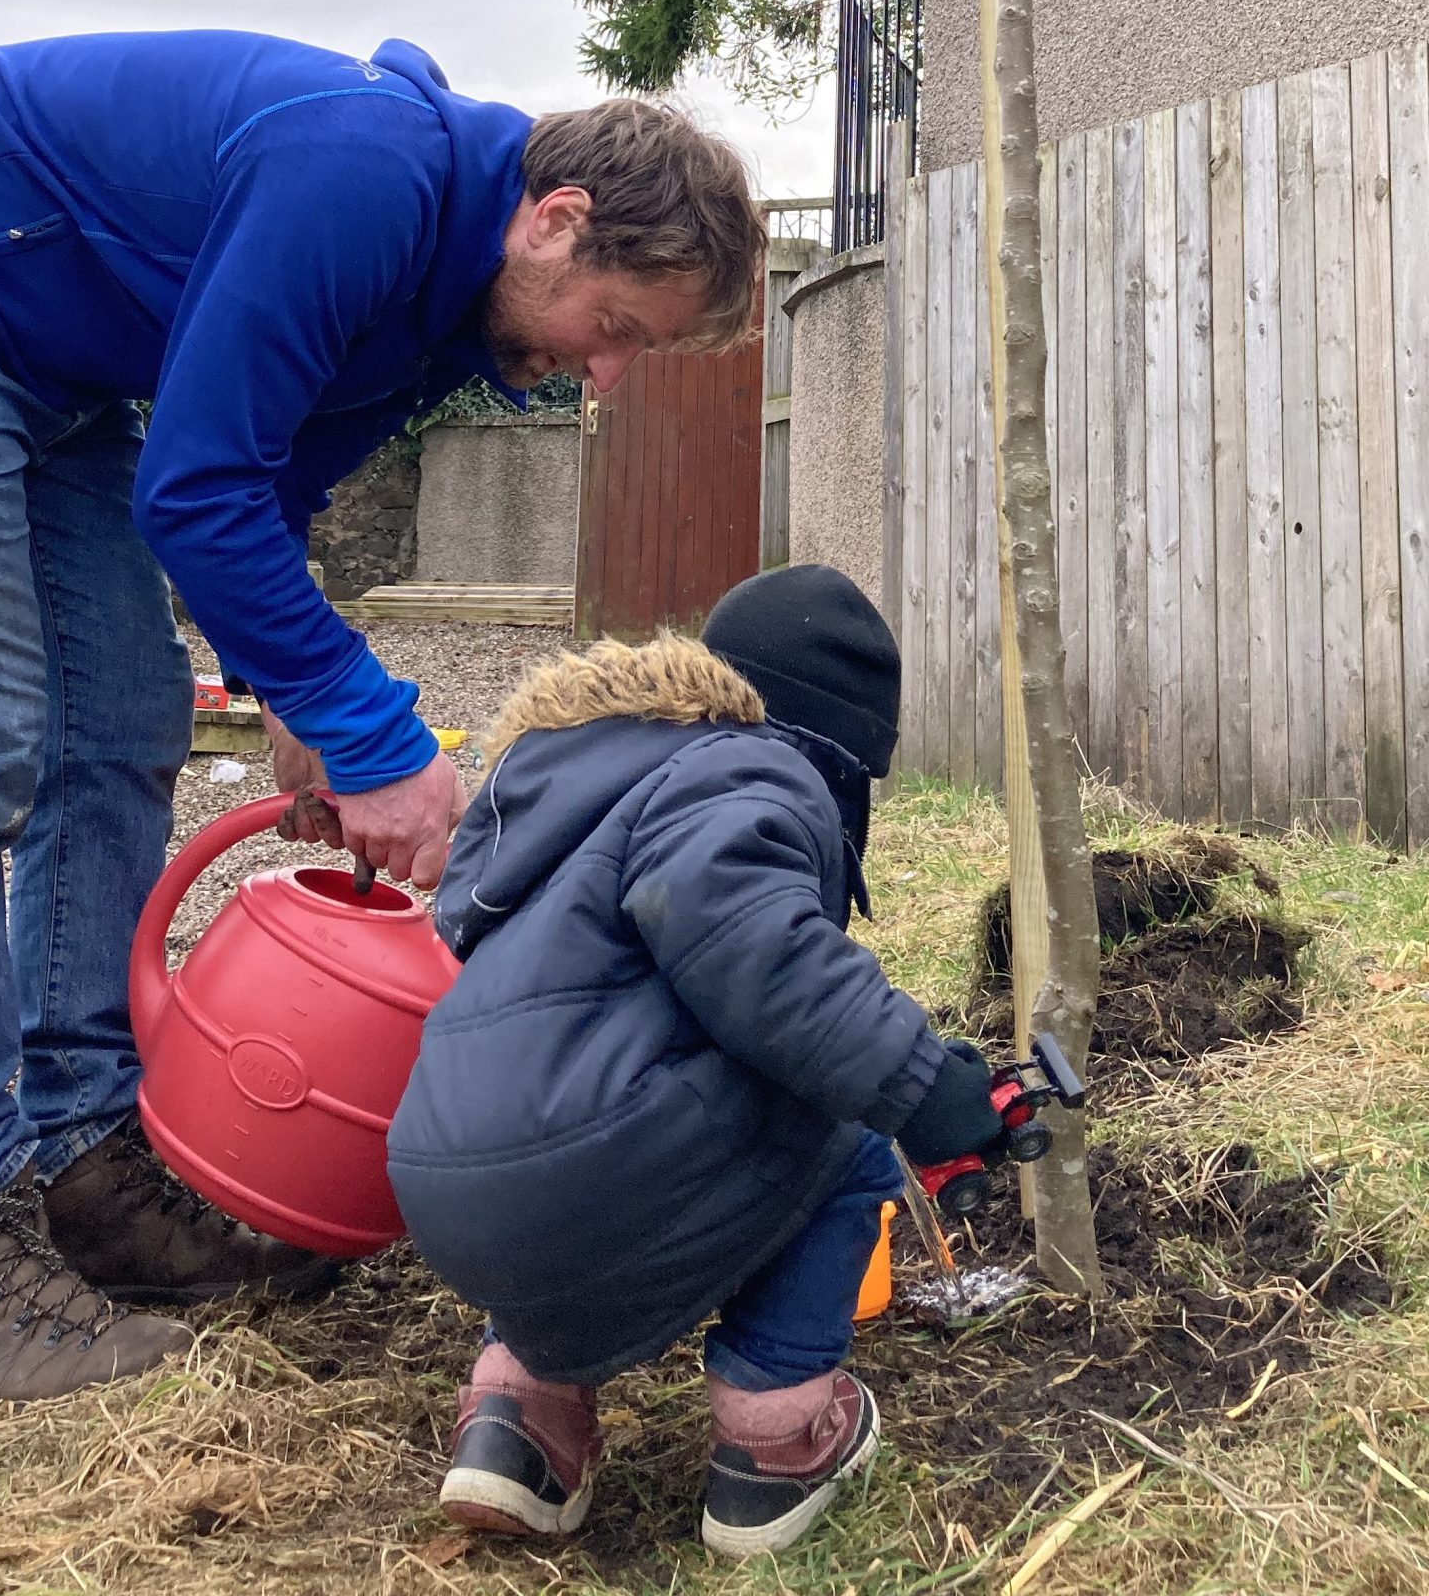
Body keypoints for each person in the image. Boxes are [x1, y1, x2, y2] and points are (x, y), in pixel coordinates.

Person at [0, 30, 762, 1409]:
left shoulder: (449, 309)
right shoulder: (365, 175)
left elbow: (262, 496)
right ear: (557, 222)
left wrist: (304, 699)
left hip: (53, 373)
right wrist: (382, 742)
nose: (608, 375)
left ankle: (85, 1163)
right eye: (619, 328)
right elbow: (199, 486)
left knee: (116, 732)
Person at [386, 565, 1010, 1560]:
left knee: (571, 1123)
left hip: (448, 1184)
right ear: (831, 744)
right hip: (586, 1170)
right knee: (843, 1124)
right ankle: (776, 1437)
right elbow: (757, 955)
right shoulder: (745, 766)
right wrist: (924, 1086)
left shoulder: (575, 788)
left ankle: (516, 1417)